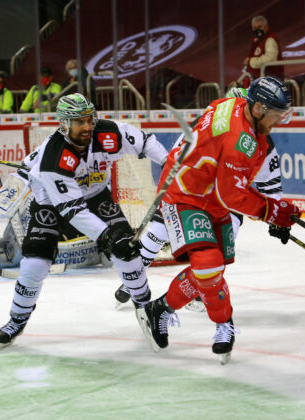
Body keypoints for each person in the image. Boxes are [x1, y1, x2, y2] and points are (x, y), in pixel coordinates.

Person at [136, 77, 300, 364]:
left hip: (209, 194)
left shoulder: (236, 106)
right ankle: (225, 325)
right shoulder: (241, 139)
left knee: (212, 270)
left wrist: (273, 208)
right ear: (259, 108)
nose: (278, 122)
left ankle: (159, 309)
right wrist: (272, 212)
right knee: (208, 265)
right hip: (184, 195)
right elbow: (232, 194)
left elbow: (231, 182)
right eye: (276, 115)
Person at [0, 93, 168, 350]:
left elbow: (145, 142)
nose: (87, 127)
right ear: (64, 124)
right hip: (51, 204)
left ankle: (145, 307)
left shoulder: (107, 132)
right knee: (34, 264)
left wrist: (169, 162)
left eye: (88, 120)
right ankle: (16, 319)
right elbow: (73, 211)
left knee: (127, 253)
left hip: (97, 196)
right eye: (78, 122)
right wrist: (107, 238)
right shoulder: (53, 158)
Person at [114, 86, 291, 310]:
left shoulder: (261, 143)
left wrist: (274, 216)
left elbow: (270, 185)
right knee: (159, 230)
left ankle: (197, 290)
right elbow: (178, 157)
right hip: (191, 193)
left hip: (228, 200)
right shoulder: (208, 122)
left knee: (219, 250)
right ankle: (134, 279)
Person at [241, 16, 284, 88]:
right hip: (259, 83)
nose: (257, 30)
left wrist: (251, 61)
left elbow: (270, 58)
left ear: (266, 27)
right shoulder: (257, 41)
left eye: (260, 27)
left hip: (269, 83)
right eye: (254, 28)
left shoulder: (270, 40)